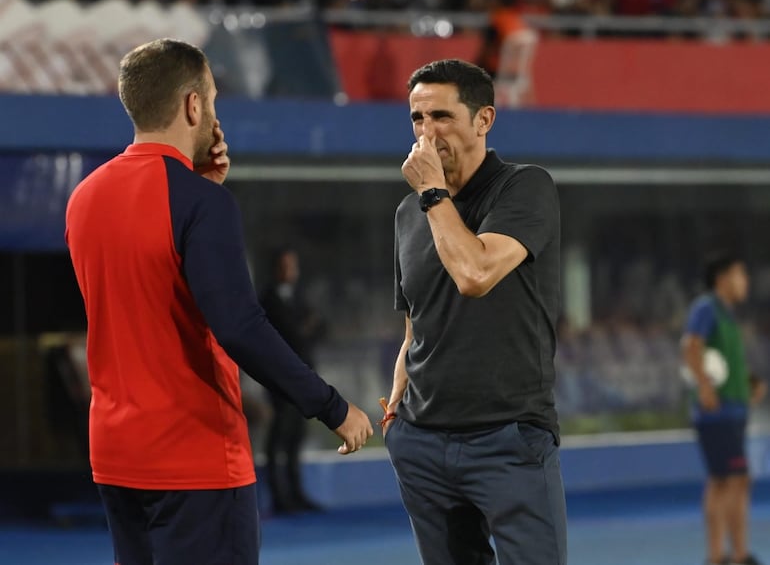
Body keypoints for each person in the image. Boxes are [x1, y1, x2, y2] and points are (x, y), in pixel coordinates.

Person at [65, 38, 372, 565]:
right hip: (195, 457)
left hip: (117, 458)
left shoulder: (84, 197)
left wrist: (199, 189)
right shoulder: (203, 204)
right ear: (192, 105)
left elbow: (144, 297)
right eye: (212, 99)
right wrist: (330, 406)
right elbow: (239, 325)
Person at [382, 58, 566, 565]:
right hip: (422, 442)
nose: (426, 132)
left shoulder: (525, 188)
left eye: (441, 116)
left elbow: (475, 275)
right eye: (417, 119)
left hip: (508, 439)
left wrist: (433, 193)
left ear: (483, 120)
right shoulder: (408, 214)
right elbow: (415, 323)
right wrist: (398, 412)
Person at [681, 252, 767, 565]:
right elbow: (691, 346)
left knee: (725, 480)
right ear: (723, 279)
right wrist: (704, 385)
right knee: (733, 478)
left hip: (732, 410)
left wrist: (749, 382)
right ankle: (731, 556)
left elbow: (724, 363)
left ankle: (723, 557)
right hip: (718, 413)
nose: (745, 281)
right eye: (740, 274)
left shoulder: (728, 316)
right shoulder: (707, 307)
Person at [260, 247, 326, 514]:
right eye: (286, 265)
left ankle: (296, 494)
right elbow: (291, 334)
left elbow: (320, 326)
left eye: (293, 265)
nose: (291, 271)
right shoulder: (268, 298)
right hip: (278, 379)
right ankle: (279, 497)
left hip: (303, 376)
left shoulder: (298, 296)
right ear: (276, 268)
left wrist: (304, 329)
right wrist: (304, 328)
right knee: (280, 435)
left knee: (297, 436)